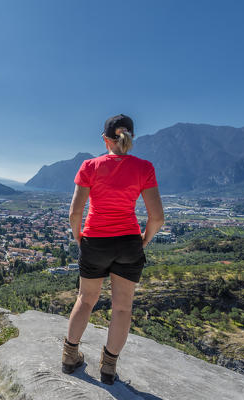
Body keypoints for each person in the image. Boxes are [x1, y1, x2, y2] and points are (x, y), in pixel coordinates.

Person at [61, 114, 165, 385]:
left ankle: (70, 357)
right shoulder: (144, 167)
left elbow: (75, 212)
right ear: (130, 139)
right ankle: (108, 368)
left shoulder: (90, 166)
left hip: (95, 240)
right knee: (122, 308)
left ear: (105, 138)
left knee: (85, 299)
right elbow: (157, 218)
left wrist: (78, 238)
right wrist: (143, 240)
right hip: (129, 242)